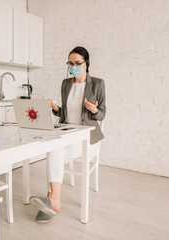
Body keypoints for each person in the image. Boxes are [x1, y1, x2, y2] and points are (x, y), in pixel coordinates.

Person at [29, 46, 106, 222]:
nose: (74, 66)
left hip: (88, 137)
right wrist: (56, 108)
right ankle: (53, 200)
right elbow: (65, 113)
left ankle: (52, 199)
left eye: (78, 63)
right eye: (70, 63)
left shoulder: (98, 84)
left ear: (86, 63)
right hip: (68, 133)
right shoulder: (66, 83)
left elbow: (102, 113)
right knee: (54, 149)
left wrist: (94, 110)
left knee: (54, 151)